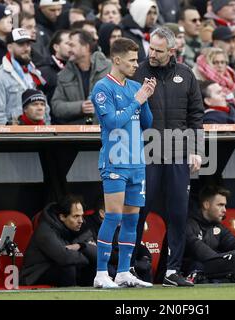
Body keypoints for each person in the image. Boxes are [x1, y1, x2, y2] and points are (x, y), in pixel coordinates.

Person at [133, 27, 204, 287]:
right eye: (151, 48)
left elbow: (196, 115)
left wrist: (196, 150)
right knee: (138, 211)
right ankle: (129, 267)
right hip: (147, 154)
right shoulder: (138, 72)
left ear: (171, 51)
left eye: (158, 51)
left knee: (178, 213)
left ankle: (172, 271)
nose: (152, 54)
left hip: (177, 153)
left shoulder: (186, 74)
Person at [90, 37, 154, 288]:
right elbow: (113, 123)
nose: (136, 65)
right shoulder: (102, 88)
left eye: (136, 59)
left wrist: (145, 98)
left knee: (132, 220)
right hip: (115, 161)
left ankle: (125, 272)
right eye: (131, 60)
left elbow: (147, 123)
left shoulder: (135, 87)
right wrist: (137, 100)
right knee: (113, 216)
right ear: (116, 60)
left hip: (137, 162)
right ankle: (101, 274)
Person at [20, 194, 97, 287]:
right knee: (68, 268)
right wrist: (87, 256)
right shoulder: (45, 231)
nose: (81, 220)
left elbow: (98, 254)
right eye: (76, 216)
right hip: (35, 275)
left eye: (81, 216)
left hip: (59, 266)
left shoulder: (76, 226)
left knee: (93, 264)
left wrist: (81, 246)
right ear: (62, 217)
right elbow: (64, 258)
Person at [183, 185, 235, 283]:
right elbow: (208, 257)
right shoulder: (186, 225)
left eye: (225, 205)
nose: (224, 210)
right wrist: (231, 259)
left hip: (205, 273)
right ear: (206, 205)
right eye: (220, 205)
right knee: (198, 266)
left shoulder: (218, 228)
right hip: (176, 280)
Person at [0, 28, 50, 125]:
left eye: (28, 44)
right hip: (14, 137)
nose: (26, 48)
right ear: (10, 47)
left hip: (37, 134)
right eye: (21, 44)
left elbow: (45, 110)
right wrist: (12, 137)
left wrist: (47, 130)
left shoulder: (34, 73)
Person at [85, 196, 153, 283]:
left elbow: (136, 246)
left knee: (144, 266)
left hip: (118, 262)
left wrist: (144, 257)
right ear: (102, 213)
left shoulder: (119, 226)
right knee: (112, 269)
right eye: (117, 211)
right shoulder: (89, 227)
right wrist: (134, 263)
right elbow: (99, 252)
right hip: (102, 265)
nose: (122, 214)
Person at [51, 29, 111, 124]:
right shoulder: (63, 75)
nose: (69, 50)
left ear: (86, 48)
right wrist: (80, 107)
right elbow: (56, 107)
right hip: (78, 135)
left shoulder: (109, 69)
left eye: (72, 45)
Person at [38, 29, 71, 106]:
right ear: (56, 47)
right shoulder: (44, 71)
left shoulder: (76, 68)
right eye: (67, 44)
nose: (71, 47)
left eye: (72, 44)